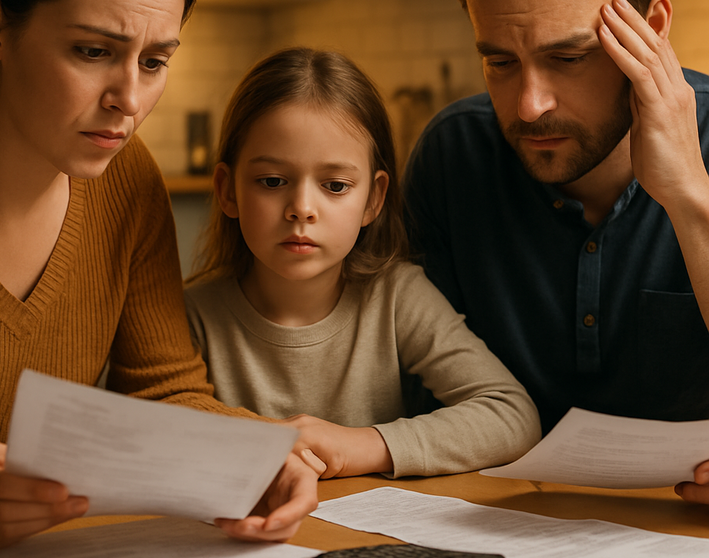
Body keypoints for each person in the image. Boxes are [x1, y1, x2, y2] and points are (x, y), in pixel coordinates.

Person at [0, 0, 318, 556]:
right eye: (93, 52)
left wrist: (255, 453)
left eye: (154, 61)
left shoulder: (127, 182)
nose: (128, 99)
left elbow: (164, 388)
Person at [402, 0, 709, 504]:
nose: (528, 105)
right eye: (500, 62)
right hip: (497, 531)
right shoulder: (453, 157)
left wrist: (688, 197)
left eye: (567, 58)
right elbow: (419, 394)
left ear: (651, 30)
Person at [184, 47, 541, 480]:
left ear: (373, 199)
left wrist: (363, 446)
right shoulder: (190, 315)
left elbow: (512, 416)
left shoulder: (397, 297)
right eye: (272, 181)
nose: (301, 208)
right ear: (227, 190)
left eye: (335, 185)